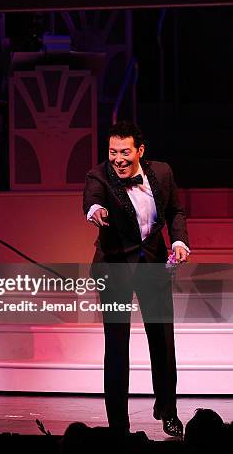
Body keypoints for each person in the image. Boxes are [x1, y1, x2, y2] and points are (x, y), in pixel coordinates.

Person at [83, 121, 189, 437]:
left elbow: (175, 211)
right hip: (114, 268)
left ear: (139, 151)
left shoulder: (163, 173)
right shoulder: (98, 176)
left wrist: (180, 241)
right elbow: (93, 200)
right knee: (117, 346)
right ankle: (119, 425)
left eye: (124, 152)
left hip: (153, 266)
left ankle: (168, 410)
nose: (118, 159)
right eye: (113, 152)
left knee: (163, 341)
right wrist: (96, 211)